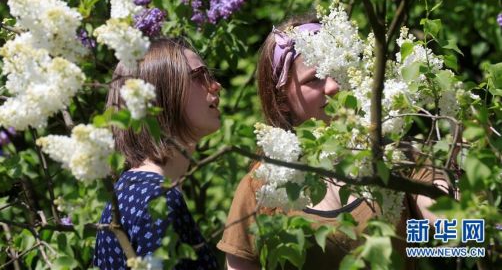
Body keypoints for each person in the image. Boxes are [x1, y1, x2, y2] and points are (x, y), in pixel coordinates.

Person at [217, 16, 448, 270]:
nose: (334, 86)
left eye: (337, 70)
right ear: (282, 99)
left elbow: (456, 230)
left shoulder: (396, 155)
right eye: (314, 78)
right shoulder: (261, 187)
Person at [94, 38, 221, 270]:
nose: (215, 85)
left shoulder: (130, 190)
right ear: (162, 92)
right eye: (200, 75)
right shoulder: (157, 199)